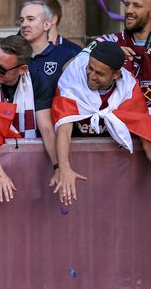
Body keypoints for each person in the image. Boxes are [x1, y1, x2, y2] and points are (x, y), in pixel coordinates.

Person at [51, 42, 151, 205]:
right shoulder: (73, 79)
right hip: (78, 161)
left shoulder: (129, 89)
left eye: (99, 73)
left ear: (116, 75)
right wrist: (64, 167)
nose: (91, 75)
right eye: (90, 68)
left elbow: (146, 132)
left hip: (115, 170)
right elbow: (64, 129)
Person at [0, 35, 57, 202]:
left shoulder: (37, 80)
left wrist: (58, 167)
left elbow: (46, 129)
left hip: (29, 165)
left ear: (22, 70)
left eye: (1, 69)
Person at [95, 0, 151, 113]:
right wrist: (108, 56)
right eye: (127, 5)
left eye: (137, 6)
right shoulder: (108, 42)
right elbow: (71, 67)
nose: (128, 11)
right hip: (115, 126)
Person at [20, 0, 79, 91]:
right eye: (22, 20)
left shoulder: (66, 57)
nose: (24, 24)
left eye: (30, 19)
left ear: (47, 25)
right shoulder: (16, 56)